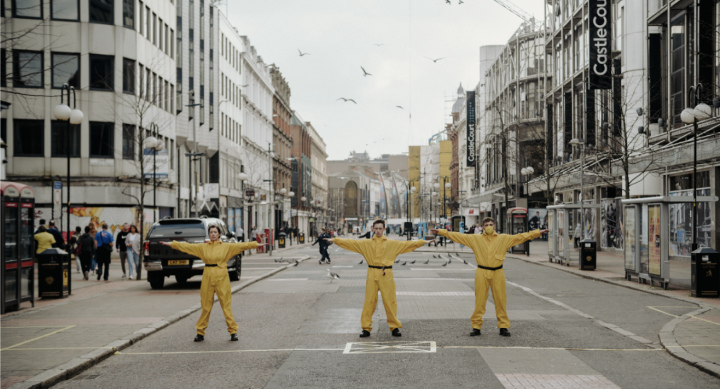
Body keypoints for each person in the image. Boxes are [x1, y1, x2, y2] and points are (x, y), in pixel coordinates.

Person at [432, 217, 547, 337]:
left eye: (491, 224)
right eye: (486, 224)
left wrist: (537, 233)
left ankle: (503, 326)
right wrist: (441, 232)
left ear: (495, 226)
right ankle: (476, 326)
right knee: (480, 300)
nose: (489, 226)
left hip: (498, 272)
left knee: (500, 299)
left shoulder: (504, 238)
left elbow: (521, 237)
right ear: (482, 227)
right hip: (482, 271)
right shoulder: (475, 239)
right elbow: (458, 236)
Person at [327, 220, 428, 338]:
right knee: (369, 301)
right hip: (372, 272)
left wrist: (423, 242)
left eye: (381, 228)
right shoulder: (366, 243)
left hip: (387, 273)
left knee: (390, 301)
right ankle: (366, 328)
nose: (378, 231)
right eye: (376, 228)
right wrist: (335, 240)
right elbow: (351, 243)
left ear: (384, 229)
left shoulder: (392, 243)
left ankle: (394, 327)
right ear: (373, 229)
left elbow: (407, 244)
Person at [160, 225, 259, 342]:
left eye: (215, 232)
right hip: (208, 276)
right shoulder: (203, 247)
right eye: (211, 232)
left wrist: (255, 244)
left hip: (222, 276)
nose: (212, 234)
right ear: (209, 234)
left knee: (226, 306)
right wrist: (172, 244)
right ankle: (200, 332)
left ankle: (233, 331)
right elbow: (187, 246)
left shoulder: (226, 247)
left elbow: (241, 246)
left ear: (219, 234)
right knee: (206, 306)